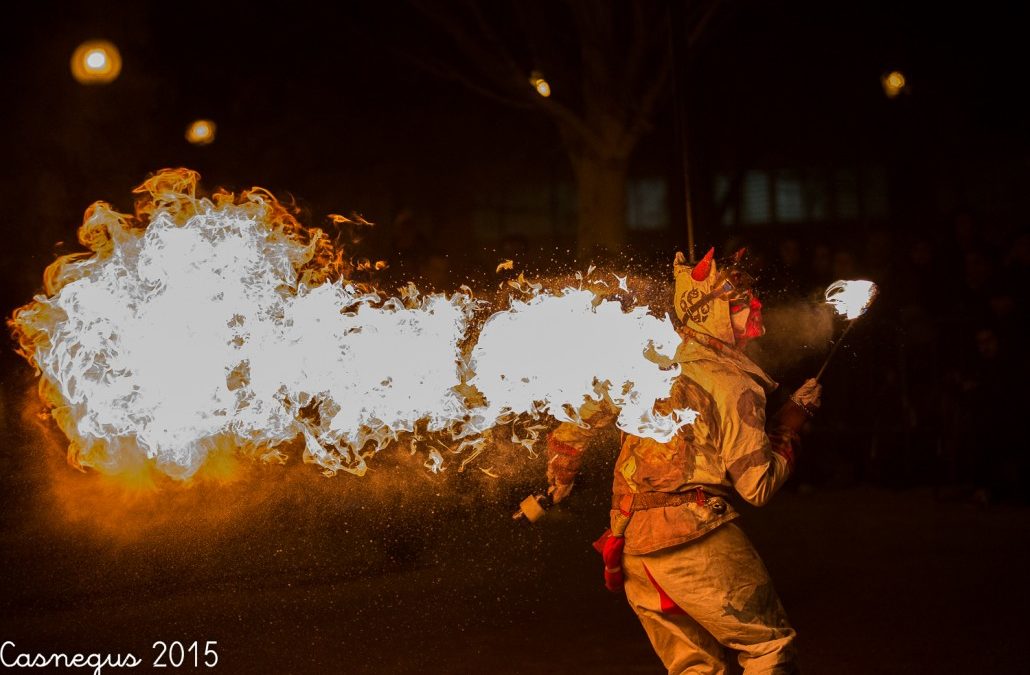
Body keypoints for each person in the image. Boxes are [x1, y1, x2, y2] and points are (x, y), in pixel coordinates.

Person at [545, 248, 821, 674]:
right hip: (691, 538)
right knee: (769, 649)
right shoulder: (733, 384)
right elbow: (757, 486)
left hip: (633, 542)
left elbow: (580, 414)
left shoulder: (645, 362)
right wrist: (789, 430)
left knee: (695, 669)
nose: (755, 306)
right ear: (711, 313)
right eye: (741, 301)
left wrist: (563, 469)